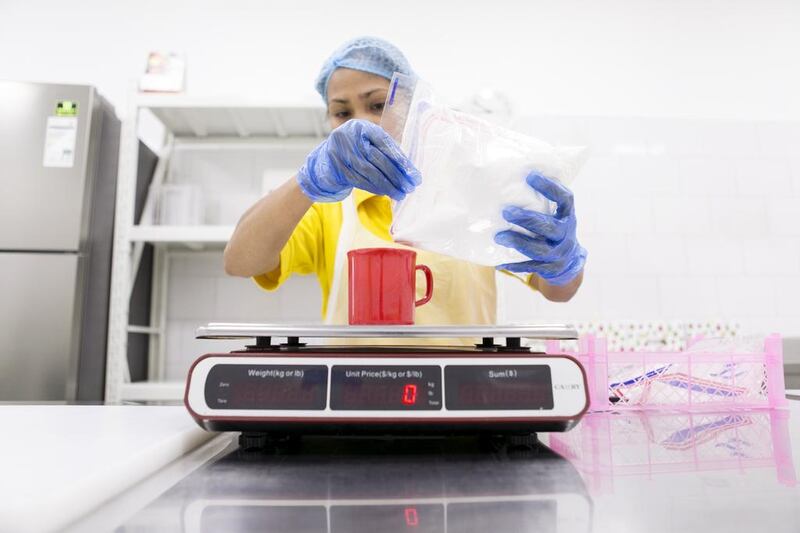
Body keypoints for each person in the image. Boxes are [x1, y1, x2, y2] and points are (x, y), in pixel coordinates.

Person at [224, 36, 586, 335]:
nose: (360, 124)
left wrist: (563, 263)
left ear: (413, 108)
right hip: (352, 407)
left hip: (466, 404)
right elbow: (240, 261)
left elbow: (558, 292)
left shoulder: (468, 192)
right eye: (342, 113)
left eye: (378, 104)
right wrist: (308, 180)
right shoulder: (326, 207)